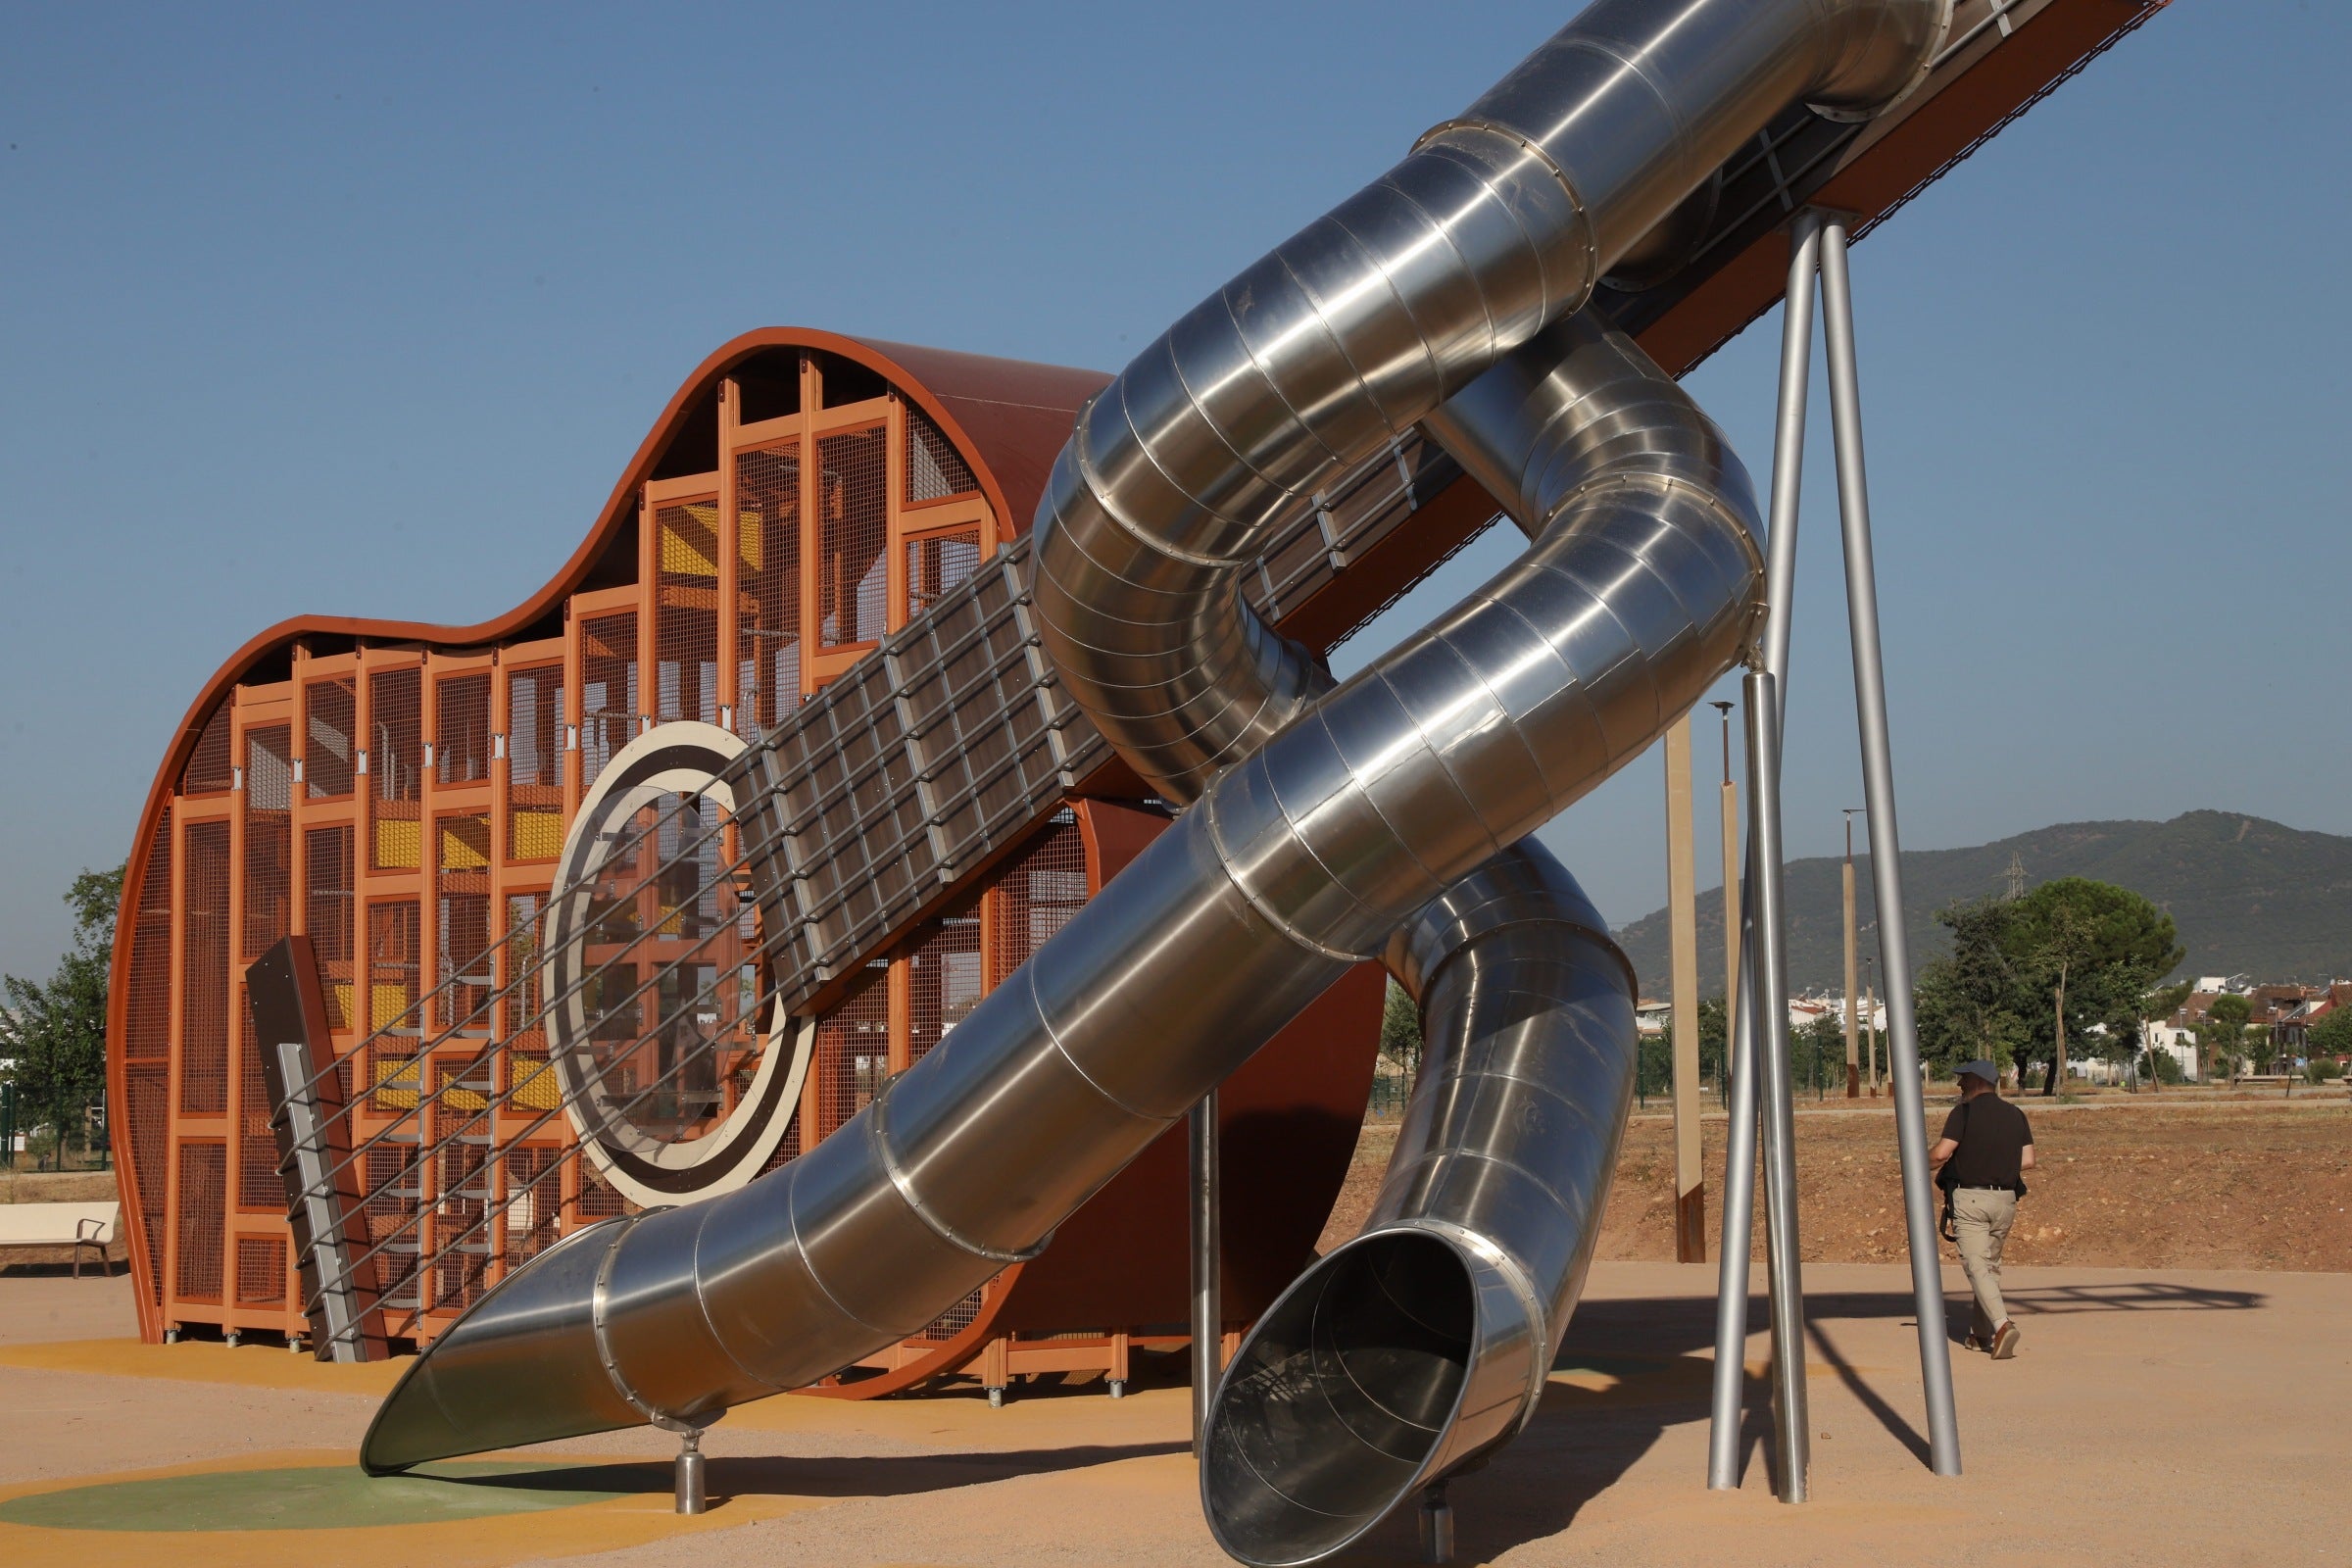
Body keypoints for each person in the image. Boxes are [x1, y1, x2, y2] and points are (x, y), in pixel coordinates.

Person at [1930, 1059, 2035, 1358]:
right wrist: (1997, 1164)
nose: (1959, 1084)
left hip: (1971, 1200)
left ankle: (2002, 1325)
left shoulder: (1963, 1112)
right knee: (1987, 1268)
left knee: (1976, 1265)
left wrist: (1915, 1161)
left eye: (1963, 1079)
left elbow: (1940, 1154)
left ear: (1977, 1081)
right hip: (2005, 1202)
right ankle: (1979, 1335)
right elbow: (2028, 1160)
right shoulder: (2016, 1115)